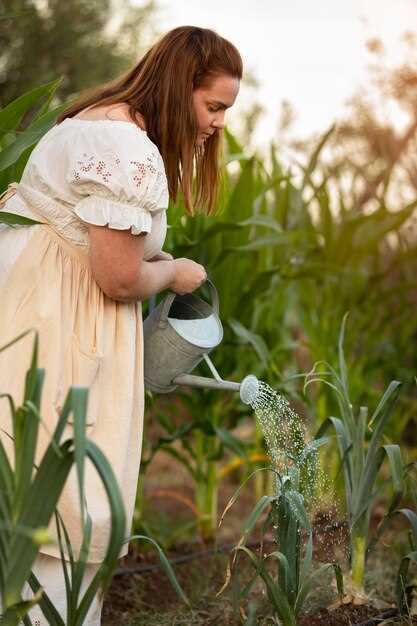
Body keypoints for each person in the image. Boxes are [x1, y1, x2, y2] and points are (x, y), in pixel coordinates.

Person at [0, 25, 241, 625]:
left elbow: (89, 241)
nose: (216, 124)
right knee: (65, 486)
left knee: (26, 471)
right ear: (179, 85)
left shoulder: (90, 120)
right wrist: (177, 272)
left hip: (33, 306)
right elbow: (117, 278)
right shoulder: (128, 149)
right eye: (213, 106)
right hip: (63, 326)